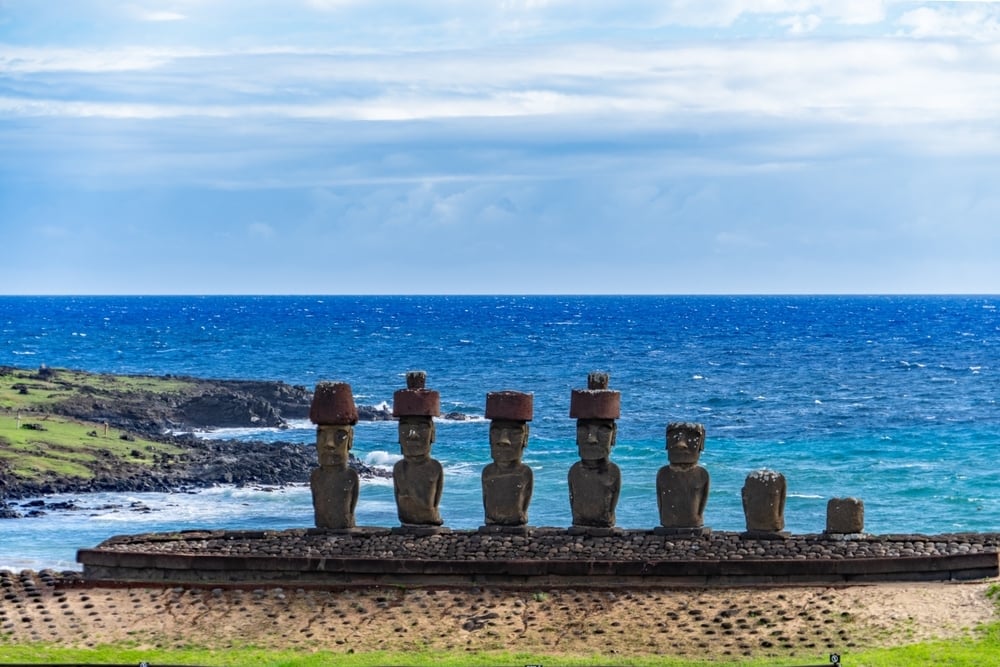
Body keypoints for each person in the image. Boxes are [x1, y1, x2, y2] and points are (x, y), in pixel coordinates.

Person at [567, 372, 621, 529]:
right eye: (583, 429)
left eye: (603, 430)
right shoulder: (575, 471)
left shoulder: (613, 472)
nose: (591, 438)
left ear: (614, 435)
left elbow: (610, 508)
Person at [392, 371, 444, 527]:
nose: (413, 435)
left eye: (421, 427)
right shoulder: (399, 468)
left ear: (432, 433)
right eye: (405, 427)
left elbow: (434, 502)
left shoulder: (434, 467)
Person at [308, 382, 360, 529]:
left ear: (350, 440)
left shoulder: (350, 475)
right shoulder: (316, 476)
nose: (329, 444)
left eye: (340, 436)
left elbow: (351, 508)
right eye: (322, 435)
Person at [481, 390, 534, 527]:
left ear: (525, 437)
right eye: (496, 431)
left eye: (515, 433)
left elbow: (525, 500)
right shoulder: (488, 472)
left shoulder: (524, 472)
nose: (504, 440)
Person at [656, 422, 710, 532]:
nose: (681, 444)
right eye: (673, 436)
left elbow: (702, 503)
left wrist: (697, 517)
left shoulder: (702, 474)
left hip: (693, 521)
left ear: (701, 443)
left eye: (692, 437)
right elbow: (660, 501)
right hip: (668, 521)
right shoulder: (663, 473)